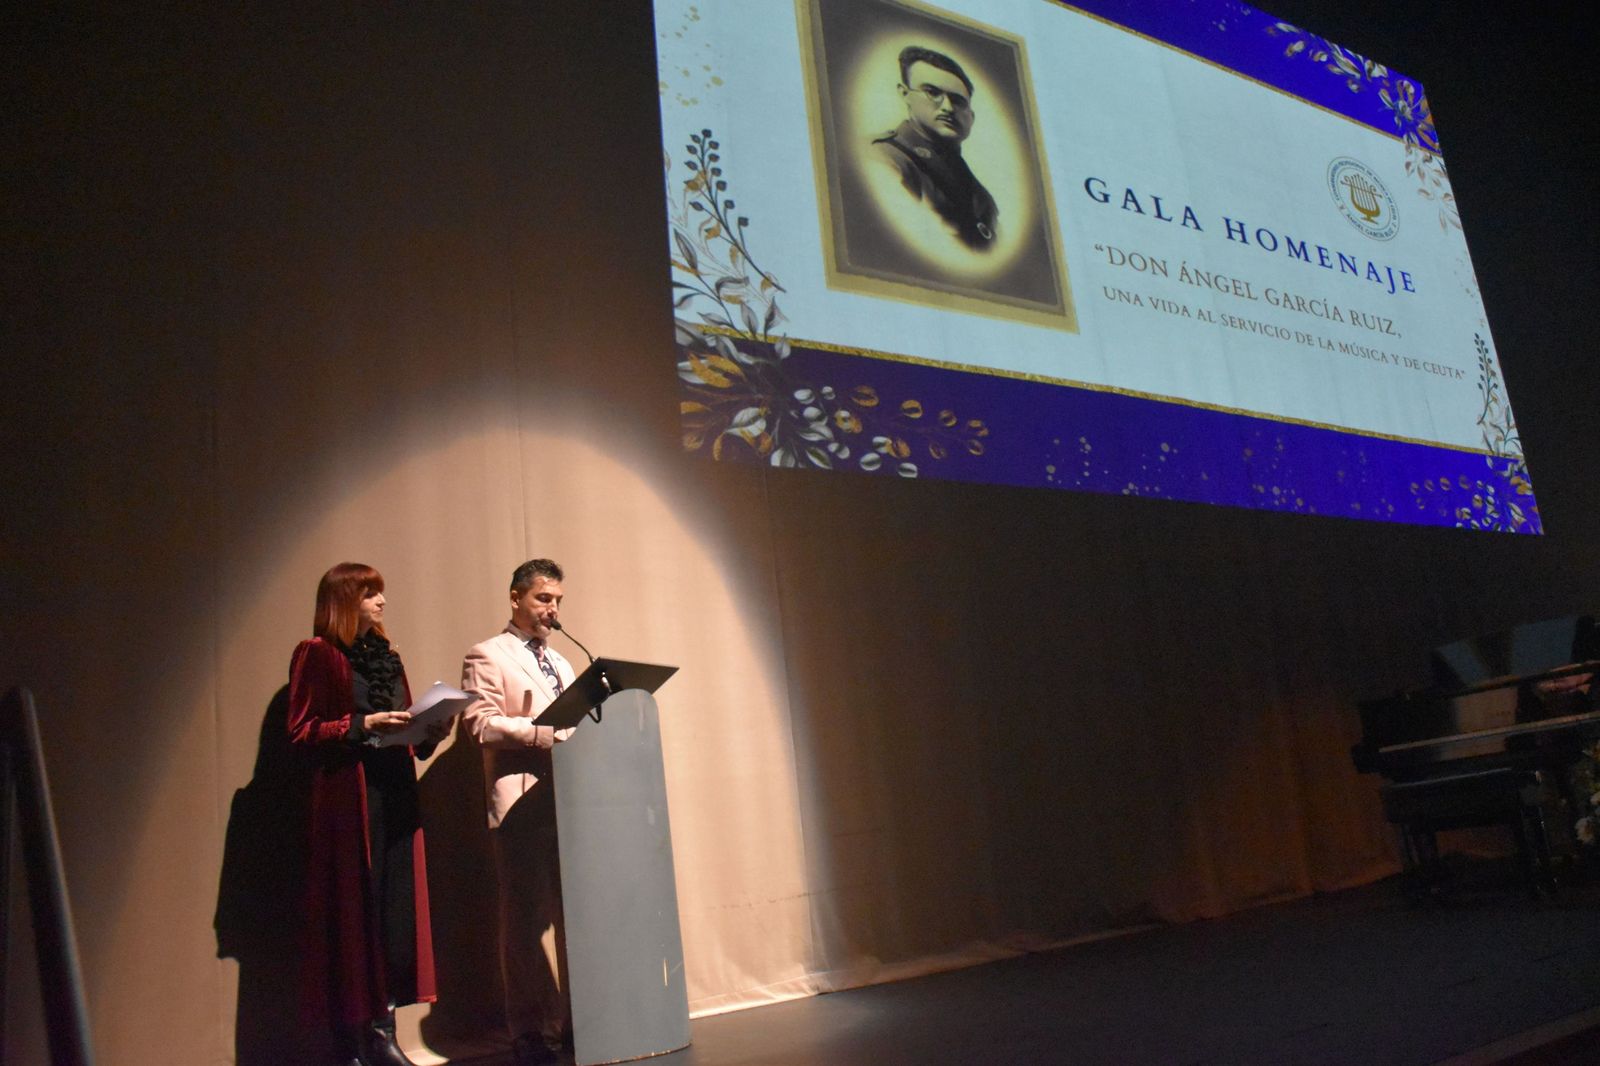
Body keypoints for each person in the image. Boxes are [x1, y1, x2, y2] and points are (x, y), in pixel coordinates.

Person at [287, 563, 446, 1066]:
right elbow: (301, 731)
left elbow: (404, 731)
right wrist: (361, 723)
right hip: (350, 803)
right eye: (370, 594)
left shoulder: (386, 657)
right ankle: (355, 1042)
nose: (380, 603)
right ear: (343, 602)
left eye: (381, 593)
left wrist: (430, 731)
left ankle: (383, 1029)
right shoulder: (317, 655)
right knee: (356, 915)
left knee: (395, 916)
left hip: (395, 792)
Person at [460, 558, 577, 1066]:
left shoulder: (567, 663)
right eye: (542, 599)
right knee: (524, 924)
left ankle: (577, 1021)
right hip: (521, 806)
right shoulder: (488, 654)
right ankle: (527, 1031)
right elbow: (479, 725)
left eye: (557, 601)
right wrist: (539, 731)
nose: (551, 610)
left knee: (576, 920)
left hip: (573, 803)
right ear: (516, 598)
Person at [871, 45, 998, 251]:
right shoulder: (884, 160)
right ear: (905, 95)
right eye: (932, 92)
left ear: (971, 117)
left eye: (958, 101)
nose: (947, 108)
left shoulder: (982, 197)